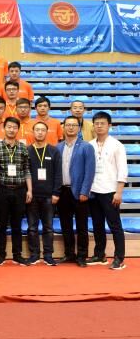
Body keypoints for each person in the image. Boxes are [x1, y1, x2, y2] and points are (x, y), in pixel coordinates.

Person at [88, 112, 127, 270]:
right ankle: (99, 254)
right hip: (93, 190)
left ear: (109, 125)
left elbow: (122, 170)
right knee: (97, 225)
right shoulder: (90, 145)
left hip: (110, 191)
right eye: (96, 123)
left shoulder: (117, 145)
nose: (99, 126)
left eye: (102, 123)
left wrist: (119, 192)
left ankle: (119, 258)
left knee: (115, 225)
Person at [55, 116, 95, 267]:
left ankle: (82, 256)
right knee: (65, 225)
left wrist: (85, 191)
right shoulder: (58, 147)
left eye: (74, 125)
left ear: (78, 128)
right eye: (68, 125)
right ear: (63, 127)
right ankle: (69, 254)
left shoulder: (86, 147)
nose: (70, 127)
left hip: (79, 192)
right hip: (63, 192)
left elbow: (90, 172)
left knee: (81, 226)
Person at [0, 117, 30, 266]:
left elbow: (27, 170)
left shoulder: (23, 147)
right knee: (1, 224)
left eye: (14, 127)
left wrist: (30, 190)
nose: (11, 130)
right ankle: (1, 254)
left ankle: (17, 254)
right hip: (2, 190)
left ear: (18, 129)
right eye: (9, 127)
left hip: (20, 190)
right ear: (4, 128)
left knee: (17, 224)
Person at [26, 122, 60, 266]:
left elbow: (58, 173)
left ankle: (48, 254)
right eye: (37, 130)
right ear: (33, 132)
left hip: (48, 195)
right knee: (32, 227)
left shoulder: (54, 151)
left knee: (48, 227)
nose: (40, 132)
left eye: (43, 130)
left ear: (47, 132)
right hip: (32, 195)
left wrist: (56, 192)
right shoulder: (27, 150)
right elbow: (25, 173)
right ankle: (34, 254)